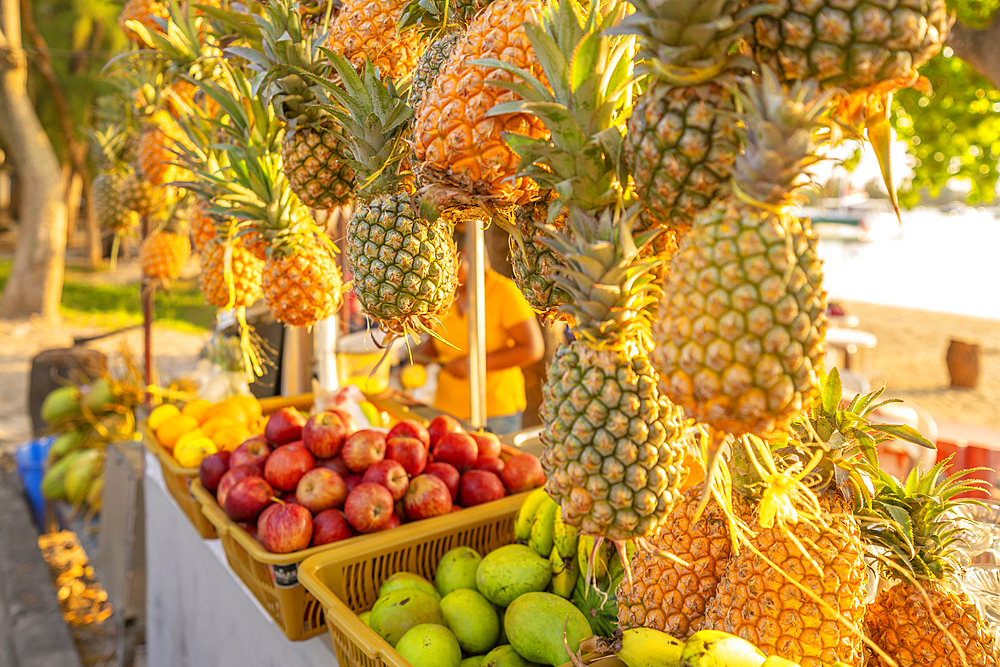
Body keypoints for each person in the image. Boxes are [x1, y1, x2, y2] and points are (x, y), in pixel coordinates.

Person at [416, 229, 544, 434]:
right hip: (447, 408)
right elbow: (439, 342)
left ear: (466, 255)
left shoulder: (504, 291)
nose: (438, 273)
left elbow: (532, 349)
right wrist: (418, 357)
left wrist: (473, 366)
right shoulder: (442, 295)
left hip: (495, 410)